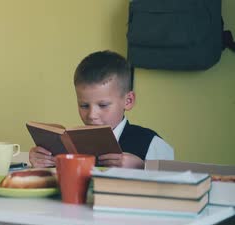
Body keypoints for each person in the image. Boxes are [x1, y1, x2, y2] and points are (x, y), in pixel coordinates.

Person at [29, 50, 174, 169]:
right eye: (84, 106)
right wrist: (42, 162)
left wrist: (142, 168)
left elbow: (173, 188)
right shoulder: (71, 143)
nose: (92, 115)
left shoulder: (151, 143)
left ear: (128, 101)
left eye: (103, 105)